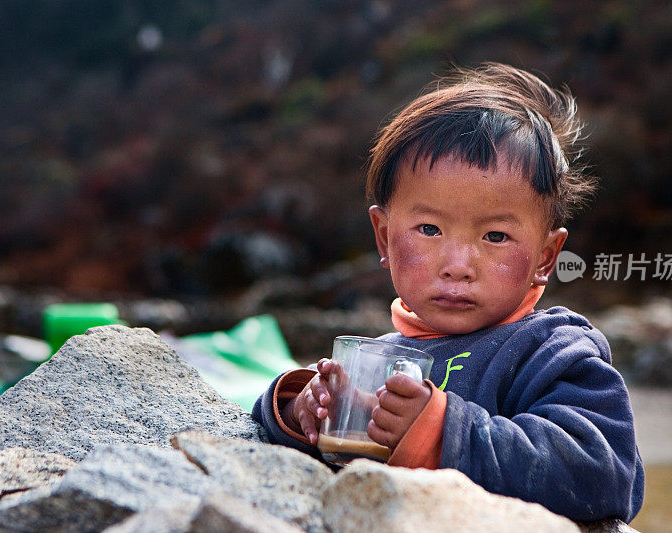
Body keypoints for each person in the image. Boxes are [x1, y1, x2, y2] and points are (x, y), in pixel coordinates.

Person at [253, 62, 644, 523]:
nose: (458, 266)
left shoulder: (552, 352)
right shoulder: (379, 359)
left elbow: (604, 473)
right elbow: (276, 443)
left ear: (545, 255)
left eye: (495, 236)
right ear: (383, 238)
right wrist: (303, 410)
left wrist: (438, 431)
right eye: (429, 229)